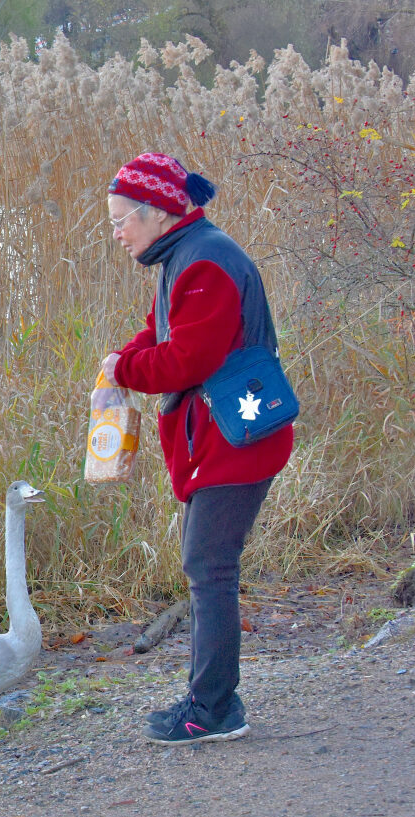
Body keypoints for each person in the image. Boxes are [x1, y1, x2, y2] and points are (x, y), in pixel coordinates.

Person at [98, 152, 293, 746]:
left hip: (236, 438)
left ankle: (212, 710)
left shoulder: (204, 262)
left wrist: (125, 369)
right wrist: (123, 356)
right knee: (207, 565)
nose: (117, 232)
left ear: (157, 212)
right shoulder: (185, 257)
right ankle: (210, 700)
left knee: (209, 566)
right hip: (222, 437)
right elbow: (163, 330)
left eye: (121, 220)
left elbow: (188, 359)